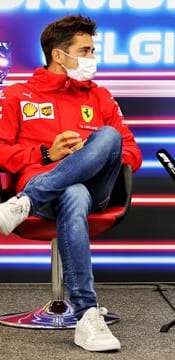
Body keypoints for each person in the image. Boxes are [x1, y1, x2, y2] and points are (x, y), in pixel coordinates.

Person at [0, 14, 142, 352]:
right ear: (59, 56)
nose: (92, 58)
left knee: (108, 136)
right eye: (86, 50)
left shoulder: (100, 97)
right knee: (73, 192)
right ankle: (87, 314)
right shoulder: (20, 96)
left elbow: (132, 152)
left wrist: (89, 157)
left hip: (98, 191)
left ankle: (23, 204)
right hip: (55, 192)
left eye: (93, 50)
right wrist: (47, 154)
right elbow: (2, 150)